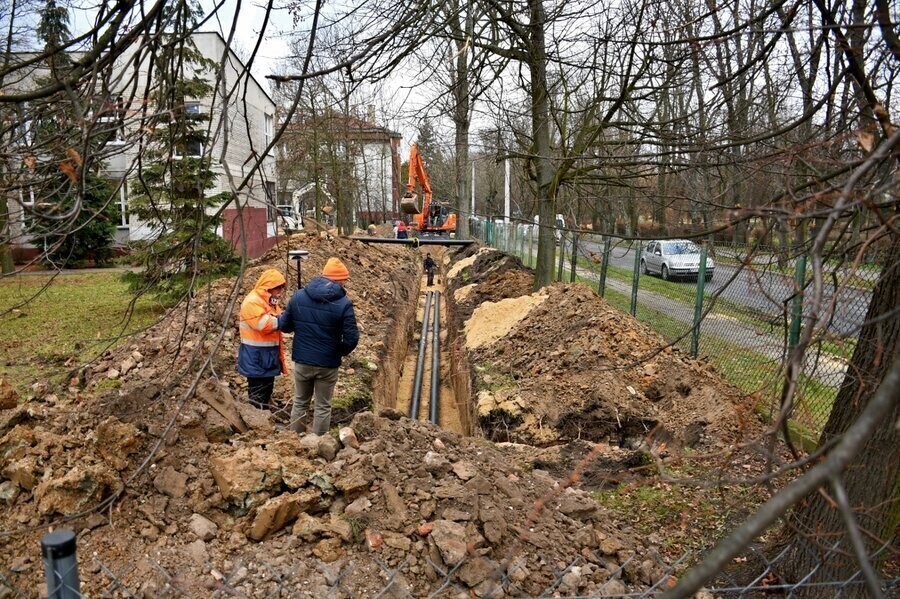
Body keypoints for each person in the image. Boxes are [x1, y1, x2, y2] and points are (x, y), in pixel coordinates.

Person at [279, 257, 359, 435]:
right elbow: (352, 338)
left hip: (302, 361)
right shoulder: (343, 304)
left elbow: (284, 325)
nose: (345, 283)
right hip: (327, 364)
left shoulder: (299, 296)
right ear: (337, 280)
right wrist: (337, 351)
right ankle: (318, 443)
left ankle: (294, 438)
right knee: (323, 406)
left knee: (300, 402)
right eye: (344, 279)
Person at [237, 269, 287, 410]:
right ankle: (256, 423)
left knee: (266, 389)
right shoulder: (253, 302)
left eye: (282, 287)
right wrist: (285, 320)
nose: (281, 291)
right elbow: (264, 324)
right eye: (278, 287)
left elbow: (276, 318)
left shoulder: (268, 301)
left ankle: (263, 418)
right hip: (256, 356)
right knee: (257, 393)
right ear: (268, 287)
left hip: (265, 356)